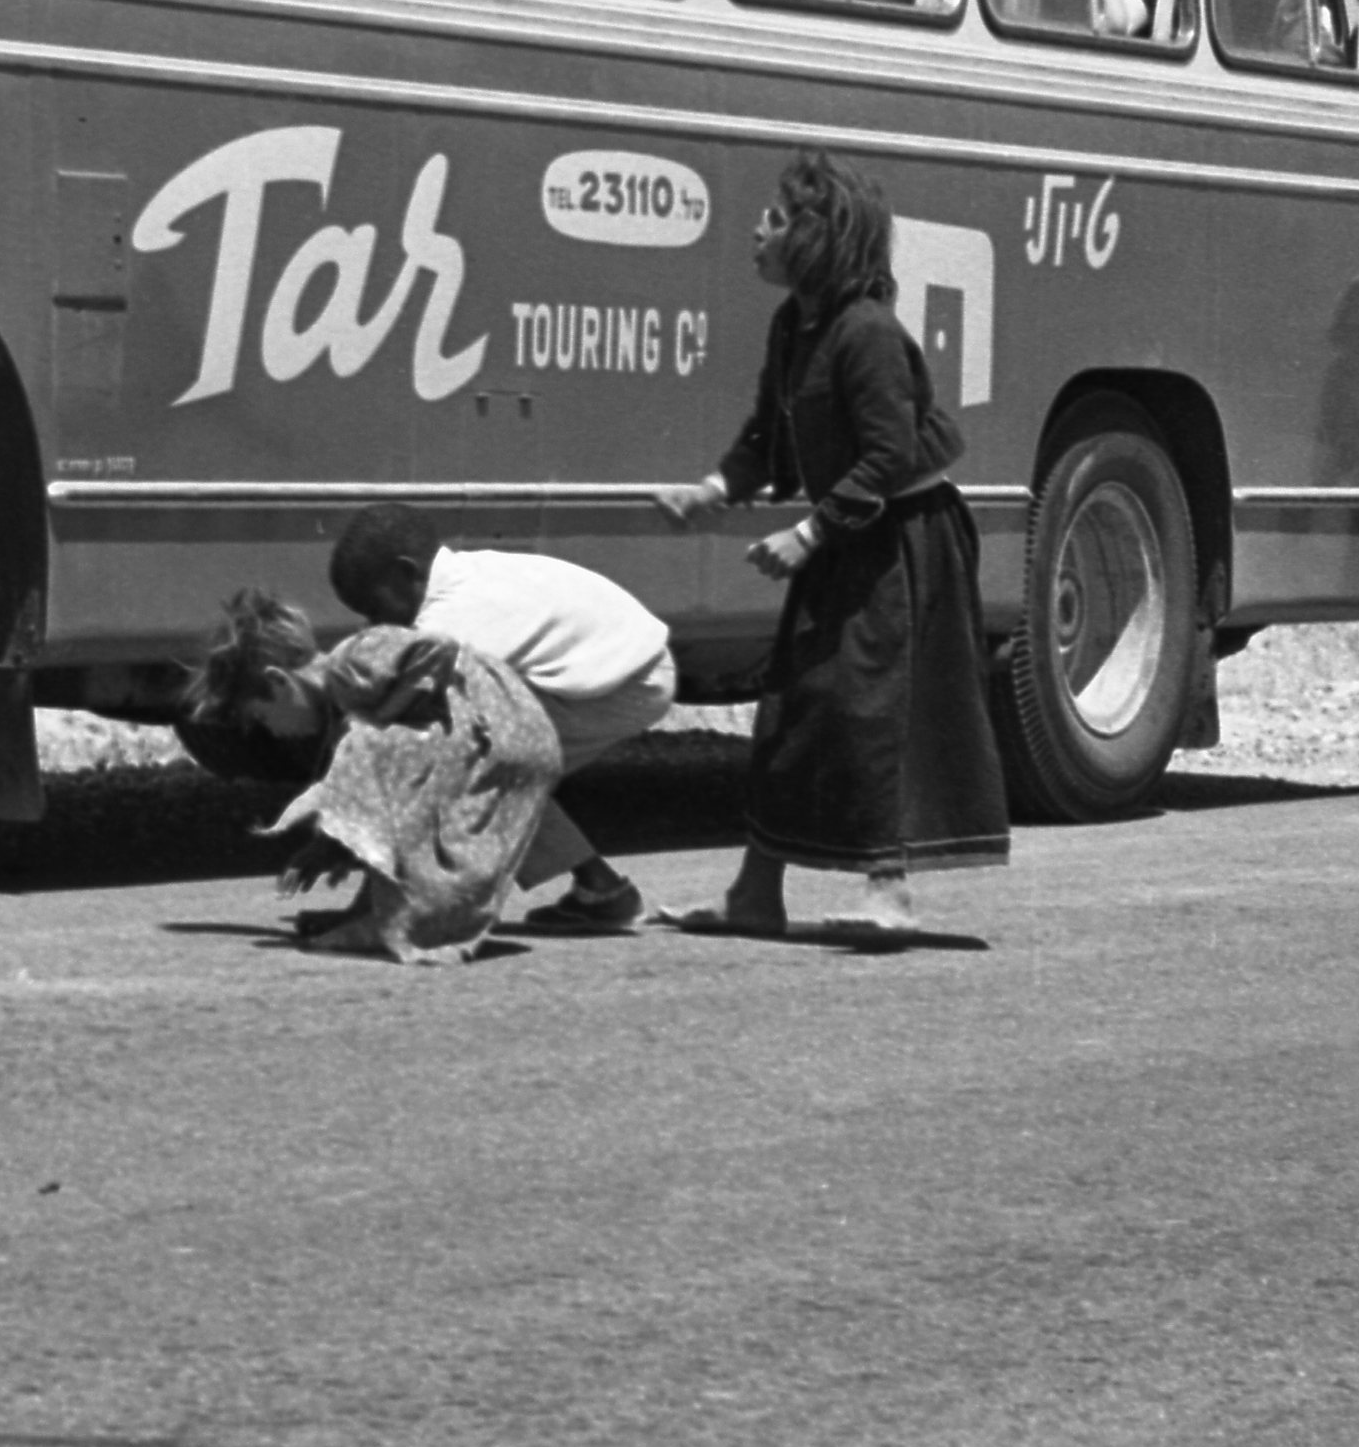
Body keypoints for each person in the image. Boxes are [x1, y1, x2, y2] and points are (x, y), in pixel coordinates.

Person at [651, 150, 1004, 938]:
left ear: (817, 238)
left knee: (872, 706)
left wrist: (808, 533)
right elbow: (768, 432)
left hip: (905, 543)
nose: (755, 229)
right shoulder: (795, 324)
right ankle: (755, 892)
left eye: (773, 219)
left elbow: (888, 454)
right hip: (851, 530)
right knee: (792, 702)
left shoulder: (866, 333)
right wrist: (711, 492)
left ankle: (889, 892)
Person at [326, 502, 679, 932]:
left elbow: (398, 728)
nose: (374, 622)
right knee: (491, 759)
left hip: (629, 683)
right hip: (624, 664)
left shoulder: (456, 617)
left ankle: (396, 908)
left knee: (462, 758)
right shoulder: (465, 573)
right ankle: (601, 890)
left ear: (405, 572)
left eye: (374, 605)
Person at [172, 587, 568, 962]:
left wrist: (384, 716)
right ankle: (380, 917)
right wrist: (332, 845)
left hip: (505, 731)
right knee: (370, 772)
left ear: (279, 681)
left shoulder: (350, 663)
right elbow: (381, 821)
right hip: (506, 740)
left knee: (370, 751)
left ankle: (403, 924)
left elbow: (437, 648)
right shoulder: (341, 719)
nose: (271, 730)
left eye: (263, 715)